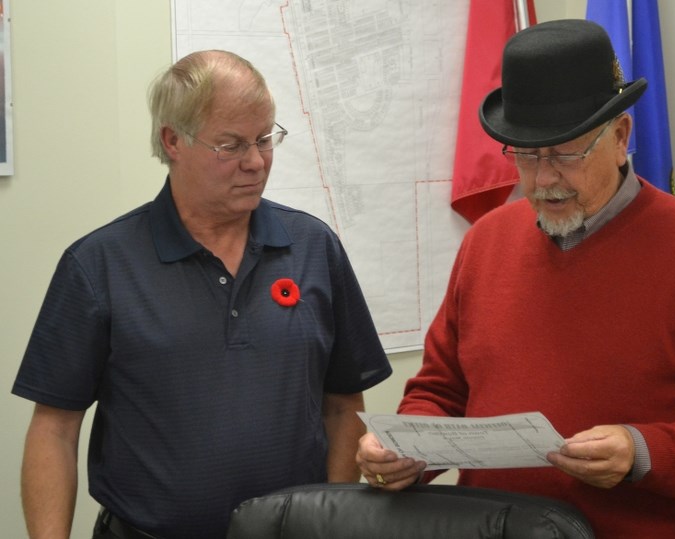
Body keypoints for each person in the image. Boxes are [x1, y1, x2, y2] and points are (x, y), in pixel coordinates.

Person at [355, 19, 675, 539]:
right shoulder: (486, 241)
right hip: (487, 529)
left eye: (565, 155)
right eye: (526, 157)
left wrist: (643, 452)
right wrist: (407, 451)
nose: (542, 180)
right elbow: (443, 389)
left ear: (621, 137)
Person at [13, 50, 392, 539]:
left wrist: (334, 520)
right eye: (231, 145)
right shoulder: (99, 264)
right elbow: (54, 431)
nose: (256, 162)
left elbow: (345, 405)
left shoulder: (314, 247)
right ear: (174, 140)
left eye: (265, 138)